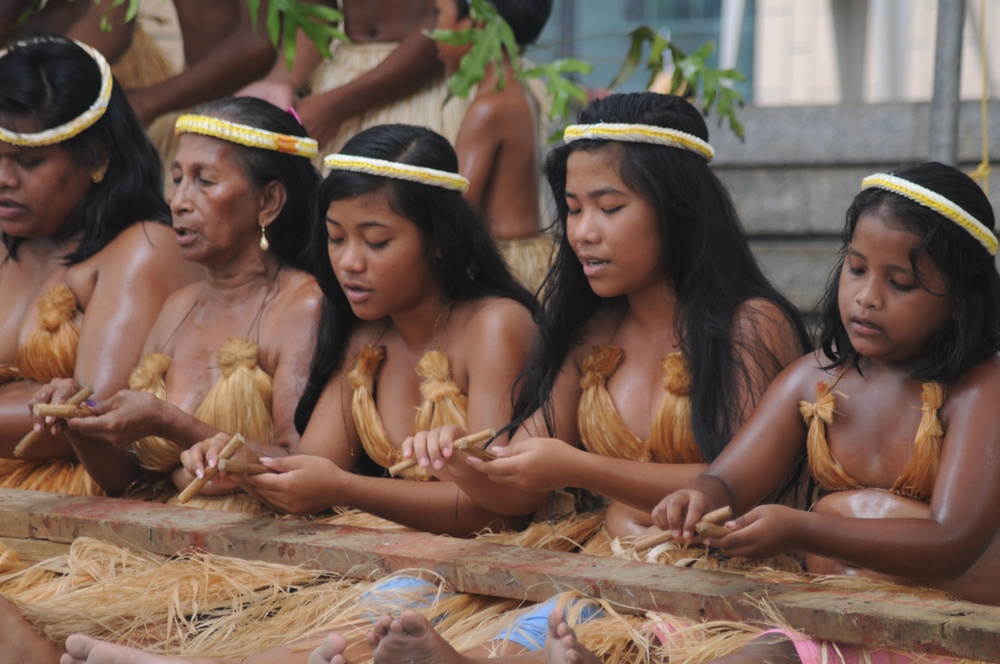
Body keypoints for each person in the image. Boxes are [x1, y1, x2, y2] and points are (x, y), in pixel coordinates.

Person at [298, 91, 812, 663]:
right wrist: (461, 463)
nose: (583, 232)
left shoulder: (751, 325)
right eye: (572, 208)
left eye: (609, 208)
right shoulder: (591, 330)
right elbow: (517, 484)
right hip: (606, 566)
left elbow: (743, 485)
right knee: (539, 625)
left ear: (677, 209)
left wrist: (578, 466)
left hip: (721, 580)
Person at [551, 161, 1000, 662]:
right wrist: (698, 497)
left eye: (901, 283)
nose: (867, 297)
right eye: (856, 269)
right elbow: (730, 479)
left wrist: (803, 528)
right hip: (834, 618)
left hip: (952, 631)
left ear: (961, 300)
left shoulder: (980, 391)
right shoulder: (817, 377)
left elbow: (953, 540)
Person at [31, 96, 323, 503]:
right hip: (167, 543)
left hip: (255, 552)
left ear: (268, 201)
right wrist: (79, 425)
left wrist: (168, 420)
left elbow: (300, 467)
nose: (179, 201)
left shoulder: (302, 305)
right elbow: (132, 482)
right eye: (177, 177)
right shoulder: (177, 306)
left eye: (205, 181)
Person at [0, 35, 200, 494]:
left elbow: (92, 415)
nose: (4, 179)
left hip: (74, 500)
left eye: (28, 162)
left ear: (96, 158)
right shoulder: (8, 234)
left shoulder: (145, 247)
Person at [238, 0, 469, 156]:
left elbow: (452, 18)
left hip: (428, 85)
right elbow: (317, 6)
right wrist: (284, 79)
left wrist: (337, 106)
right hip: (339, 74)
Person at [433, 0, 554, 293]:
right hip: (528, 255)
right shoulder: (519, 91)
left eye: (438, 15)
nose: (433, 31)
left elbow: (458, 209)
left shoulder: (489, 108)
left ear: (478, 23)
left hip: (502, 266)